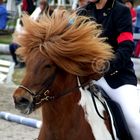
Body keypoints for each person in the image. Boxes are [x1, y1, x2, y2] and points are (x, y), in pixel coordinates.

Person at [77, 0, 140, 140]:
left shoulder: (121, 11)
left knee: (133, 122)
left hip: (117, 78)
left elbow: (126, 47)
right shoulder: (83, 12)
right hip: (88, 78)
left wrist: (107, 65)